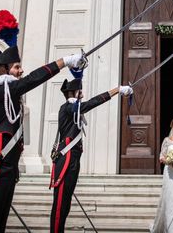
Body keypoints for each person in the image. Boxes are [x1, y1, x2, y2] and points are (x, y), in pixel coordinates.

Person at [0, 10, 84, 233]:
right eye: (16, 67)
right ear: (3, 70)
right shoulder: (0, 88)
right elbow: (33, 80)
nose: (21, 71)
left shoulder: (10, 93)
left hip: (7, 168)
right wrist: (65, 61)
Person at [49, 68, 133, 233]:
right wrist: (117, 90)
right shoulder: (68, 107)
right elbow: (92, 103)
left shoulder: (74, 109)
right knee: (59, 205)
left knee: (65, 204)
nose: (82, 94)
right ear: (73, 92)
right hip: (65, 160)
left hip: (72, 161)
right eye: (79, 91)